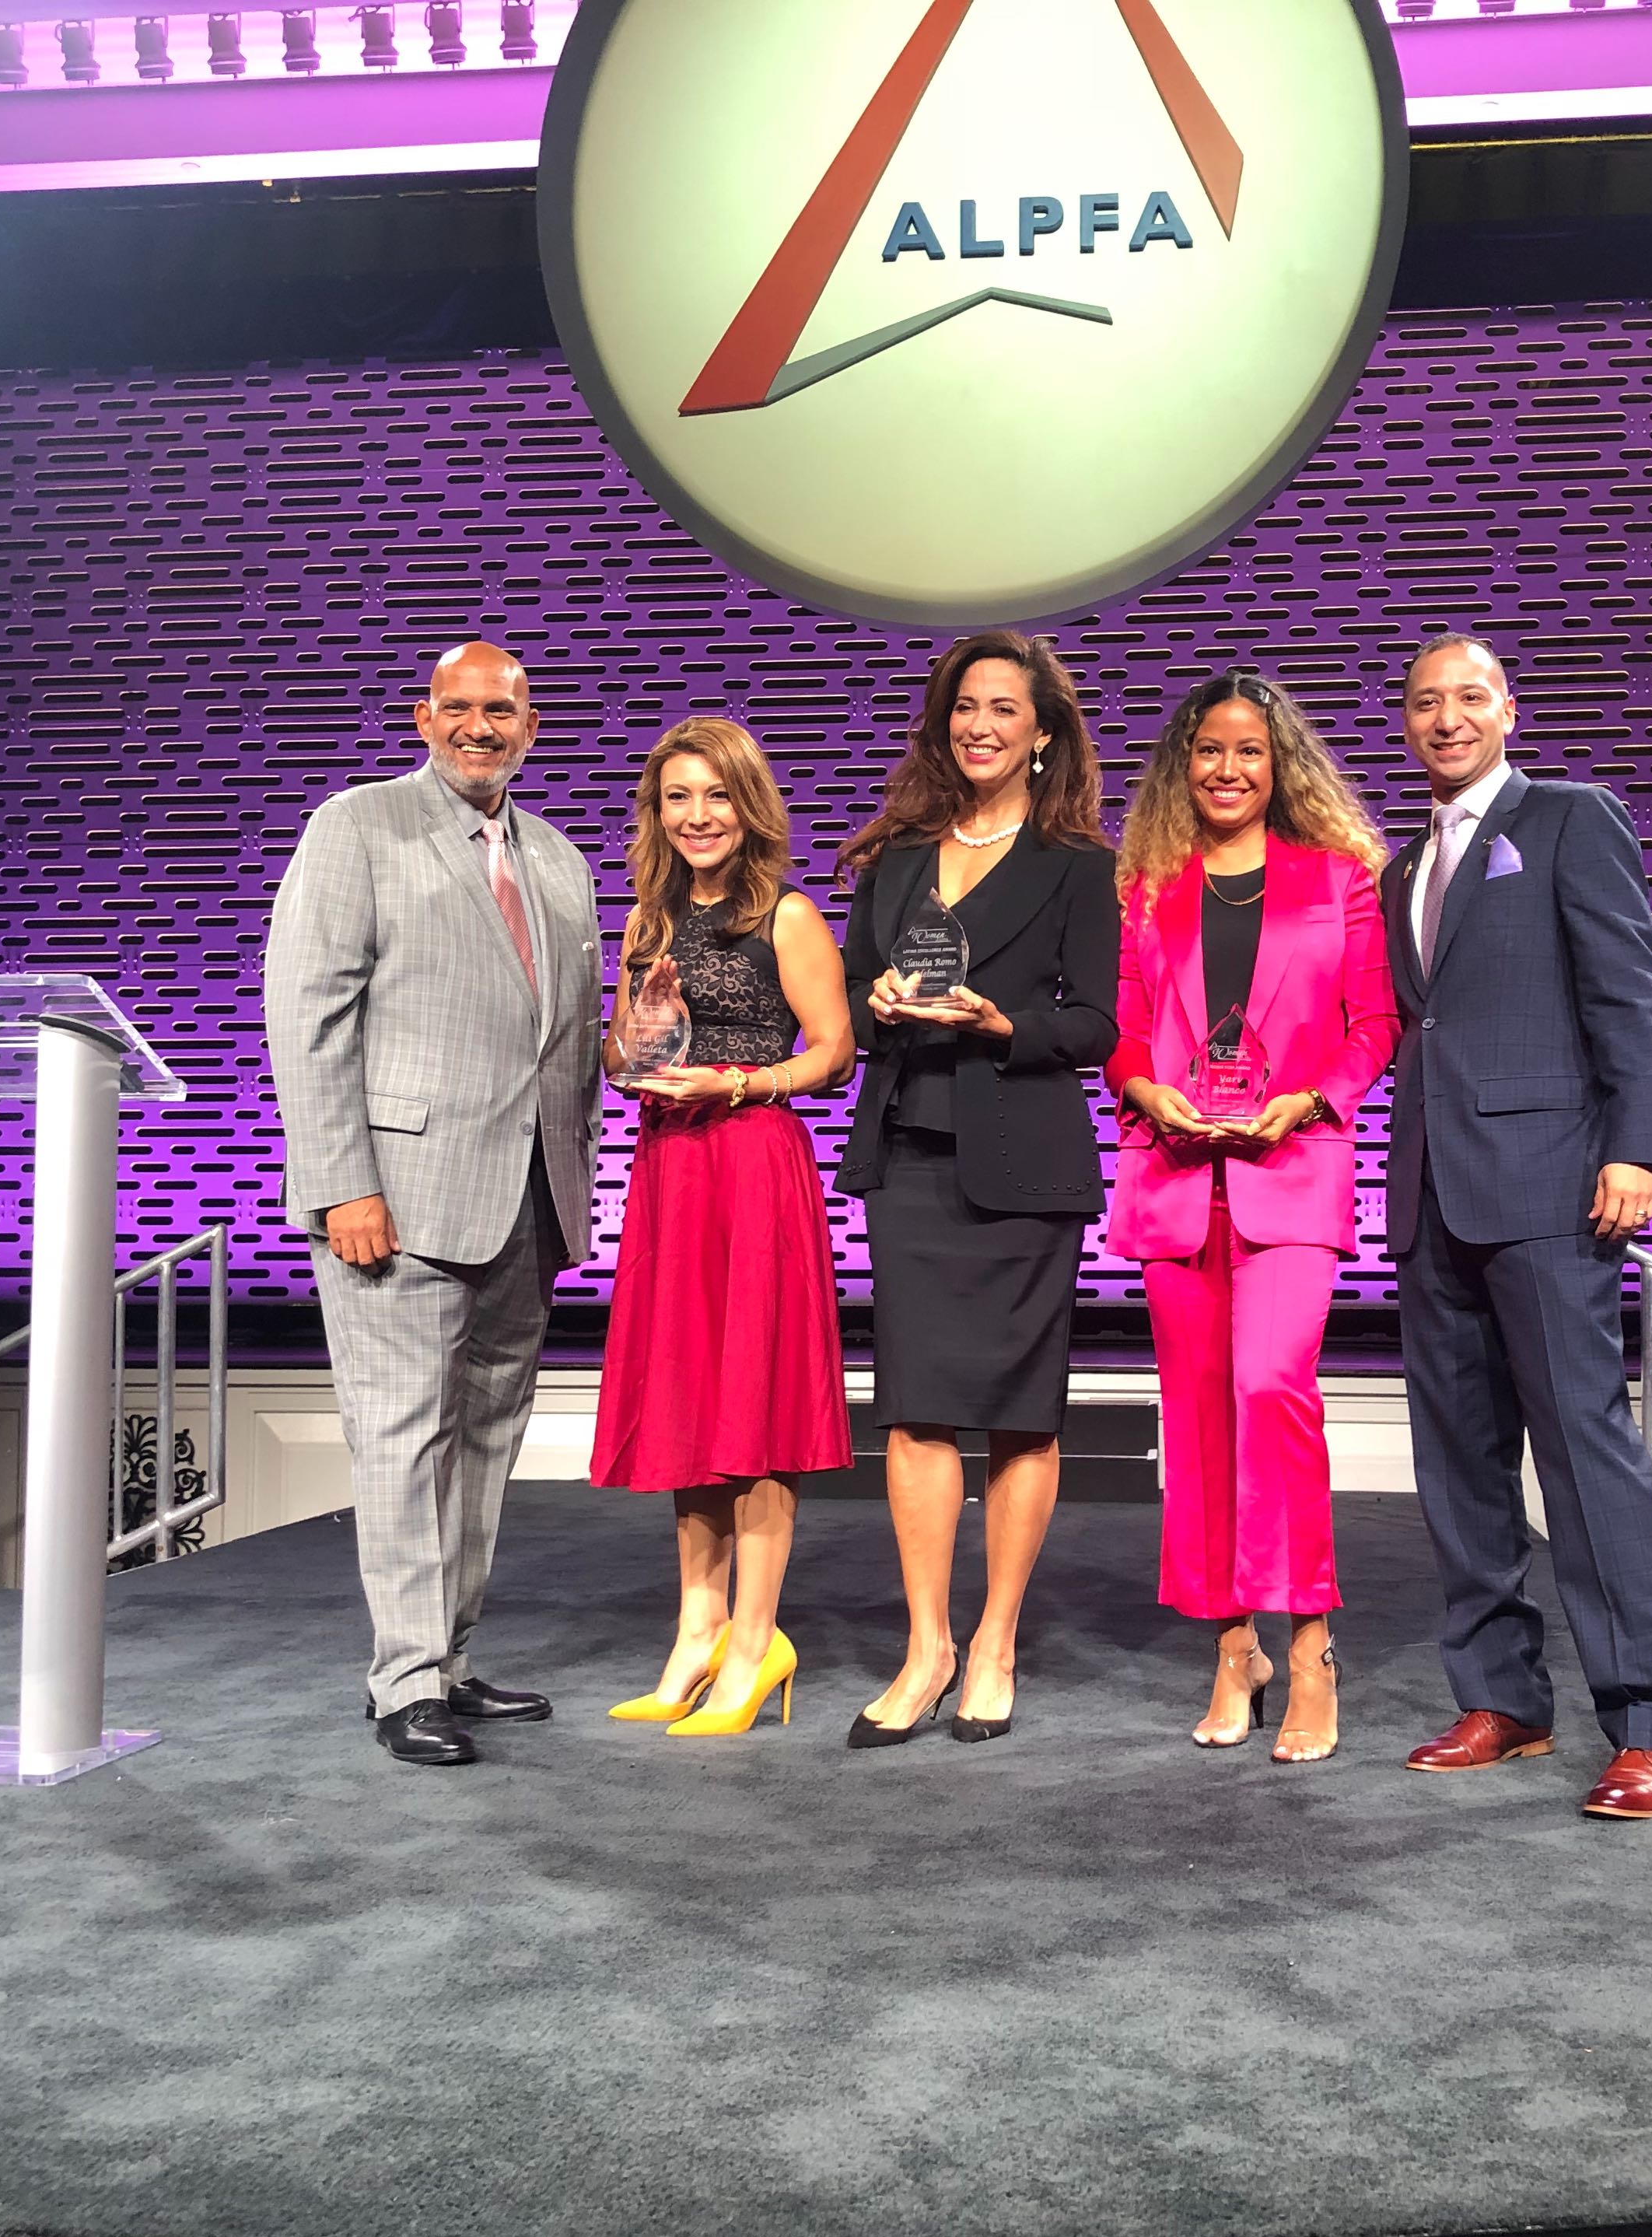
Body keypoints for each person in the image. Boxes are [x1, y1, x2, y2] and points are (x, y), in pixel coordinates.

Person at [262, 641, 601, 1768]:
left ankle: (448, 1659)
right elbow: (306, 1018)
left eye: (499, 710)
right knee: (401, 1441)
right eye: (457, 707)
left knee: (486, 1438)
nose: (478, 726)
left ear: (530, 725)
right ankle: (401, 1679)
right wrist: (340, 1181)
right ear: (423, 717)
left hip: (527, 1200)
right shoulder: (355, 827)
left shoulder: (554, 856)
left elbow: (558, 1042)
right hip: (394, 1200)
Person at [1379, 632, 1652, 1819]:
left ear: (1508, 708)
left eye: (1468, 697)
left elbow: (1629, 990)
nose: (1446, 718)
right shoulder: (1401, 864)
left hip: (1554, 1186)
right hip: (1432, 1196)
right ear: (1405, 724)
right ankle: (1502, 1699)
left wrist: (1636, 1146)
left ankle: (1649, 1723)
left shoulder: (1571, 819)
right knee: (1459, 1467)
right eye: (1425, 703)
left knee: (1585, 1455)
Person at [1105, 670, 1397, 1763]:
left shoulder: (1340, 880)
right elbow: (1125, 1034)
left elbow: (1374, 1024)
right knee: (1198, 1414)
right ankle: (1236, 1645)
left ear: (1281, 770)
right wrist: (1143, 1089)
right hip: (1178, 1177)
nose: (1228, 770)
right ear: (1185, 766)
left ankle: (1312, 1640)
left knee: (1271, 1388)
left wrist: (1313, 1096)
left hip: (1294, 1168)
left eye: (1250, 754)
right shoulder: (1147, 888)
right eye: (1210, 751)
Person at [834, 631, 1118, 1747]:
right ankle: (926, 1646)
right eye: (965, 707)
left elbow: (1095, 1024)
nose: (981, 725)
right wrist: (883, 1003)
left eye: (1005, 709)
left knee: (1016, 1414)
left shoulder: (1079, 865)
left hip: (1025, 1161)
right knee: (912, 1409)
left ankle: (995, 1637)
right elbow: (847, 1003)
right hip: (911, 1149)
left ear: (1042, 732)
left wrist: (1003, 1021)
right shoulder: (897, 856)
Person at [590, 717, 856, 1738]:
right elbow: (629, 1049)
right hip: (670, 1168)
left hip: (750, 1163)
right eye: (677, 798)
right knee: (688, 1403)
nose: (697, 816)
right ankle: (696, 1631)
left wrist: (741, 1080)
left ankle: (756, 1642)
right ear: (657, 813)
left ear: (748, 806)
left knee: (755, 1406)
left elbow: (832, 1053)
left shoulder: (785, 915)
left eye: (716, 796)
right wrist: (621, 1049)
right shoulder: (646, 922)